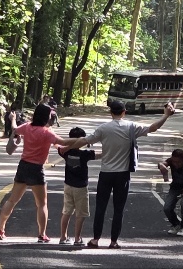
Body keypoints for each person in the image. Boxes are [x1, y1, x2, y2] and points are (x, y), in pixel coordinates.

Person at [73, 98, 176, 248]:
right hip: (122, 174)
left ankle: (95, 239)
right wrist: (165, 115)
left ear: (110, 112)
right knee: (118, 209)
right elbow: (153, 128)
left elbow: (84, 141)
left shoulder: (103, 128)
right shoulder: (131, 127)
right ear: (124, 112)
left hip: (106, 173)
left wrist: (65, 144)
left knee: (100, 207)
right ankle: (113, 241)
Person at [0, 103, 85, 242]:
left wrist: (13, 118)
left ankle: (0, 228)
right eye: (50, 114)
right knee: (41, 204)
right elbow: (64, 142)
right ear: (46, 116)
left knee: (12, 200)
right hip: (37, 169)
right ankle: (42, 234)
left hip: (23, 166)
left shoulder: (27, 127)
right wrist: (84, 140)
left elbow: (14, 129)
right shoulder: (47, 132)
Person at [56, 127, 96, 245]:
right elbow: (100, 155)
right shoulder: (85, 154)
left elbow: (58, 147)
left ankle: (63, 237)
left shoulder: (65, 152)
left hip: (68, 185)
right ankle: (77, 238)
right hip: (81, 187)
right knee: (81, 213)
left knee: (66, 211)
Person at [158, 148, 183, 236]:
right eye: (174, 162)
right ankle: (175, 224)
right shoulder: (171, 161)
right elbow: (163, 164)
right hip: (175, 187)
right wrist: (161, 165)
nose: (176, 164)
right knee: (167, 208)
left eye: (178, 162)